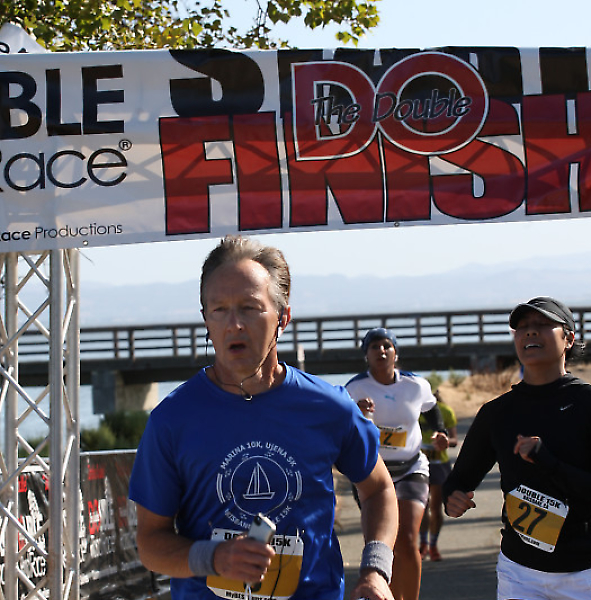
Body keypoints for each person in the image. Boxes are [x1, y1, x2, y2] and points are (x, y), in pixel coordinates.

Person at [128, 235, 398, 600]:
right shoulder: (172, 419)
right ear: (205, 319)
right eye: (219, 309)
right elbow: (150, 542)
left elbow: (379, 489)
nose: (234, 324)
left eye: (249, 308)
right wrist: (215, 558)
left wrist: (376, 570)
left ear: (283, 318)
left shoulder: (328, 406)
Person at [443, 296, 591, 600]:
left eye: (542, 324)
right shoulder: (497, 412)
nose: (530, 331)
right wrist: (452, 497)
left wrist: (547, 462)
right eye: (522, 327)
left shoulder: (589, 405)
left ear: (568, 339)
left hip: (585, 573)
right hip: (519, 572)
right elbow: (459, 479)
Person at [346, 328, 449, 600]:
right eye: (374, 347)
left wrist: (440, 432)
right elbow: (342, 429)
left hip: (411, 468)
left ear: (396, 353)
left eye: (386, 346)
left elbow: (431, 409)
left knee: (407, 540)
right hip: (373, 473)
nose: (381, 351)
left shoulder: (415, 385)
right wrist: (358, 413)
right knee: (382, 544)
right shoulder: (354, 388)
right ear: (366, 355)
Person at [418, 390, 458, 561]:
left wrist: (444, 442)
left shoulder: (446, 411)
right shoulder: (413, 408)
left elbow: (454, 439)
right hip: (417, 464)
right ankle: (423, 544)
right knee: (421, 507)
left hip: (439, 464)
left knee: (435, 507)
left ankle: (433, 545)